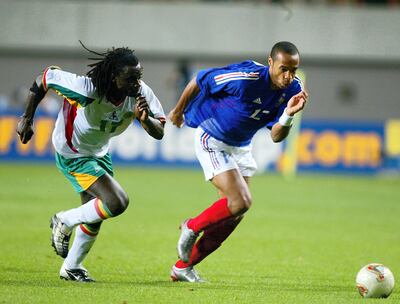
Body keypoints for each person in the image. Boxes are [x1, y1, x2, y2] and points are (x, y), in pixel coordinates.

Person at [16, 42, 166, 282]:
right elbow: (45, 77)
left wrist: (146, 121)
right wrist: (26, 118)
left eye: (139, 77)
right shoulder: (86, 89)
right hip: (73, 152)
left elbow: (160, 131)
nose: (136, 83)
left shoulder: (140, 94)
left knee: (94, 213)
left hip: (99, 151)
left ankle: (72, 267)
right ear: (114, 76)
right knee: (117, 202)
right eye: (130, 78)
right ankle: (64, 220)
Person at [168, 41, 308, 282]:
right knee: (240, 201)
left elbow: (276, 136)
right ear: (270, 62)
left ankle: (182, 267)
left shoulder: (293, 89)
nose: (289, 76)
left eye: (293, 70)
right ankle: (191, 226)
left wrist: (287, 115)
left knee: (234, 214)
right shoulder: (246, 78)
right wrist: (178, 111)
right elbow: (200, 79)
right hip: (211, 138)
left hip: (241, 147)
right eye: (284, 68)